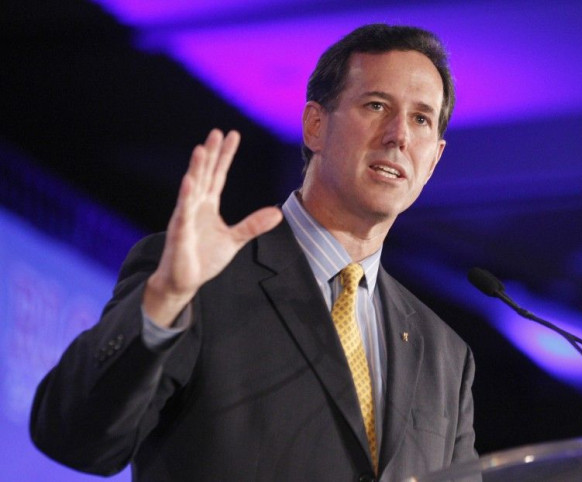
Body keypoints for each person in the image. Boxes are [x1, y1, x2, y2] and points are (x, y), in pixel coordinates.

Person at [30, 24, 477, 481]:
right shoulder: (200, 277)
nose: (399, 135)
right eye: (376, 105)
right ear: (315, 125)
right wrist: (166, 296)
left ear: (434, 158)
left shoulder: (446, 355)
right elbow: (74, 437)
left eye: (421, 118)